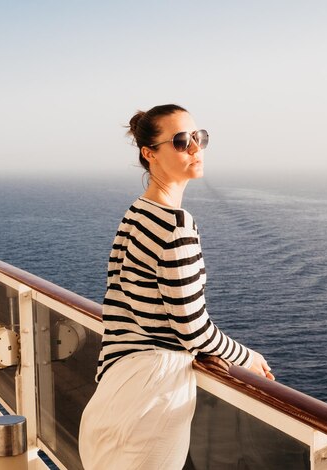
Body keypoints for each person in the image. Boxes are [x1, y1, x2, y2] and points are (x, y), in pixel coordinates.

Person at [79, 104, 273, 469]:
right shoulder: (174, 226)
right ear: (149, 154)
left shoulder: (138, 213)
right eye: (182, 141)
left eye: (199, 138)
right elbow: (191, 328)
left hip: (117, 384)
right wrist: (247, 358)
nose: (196, 148)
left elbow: (125, 305)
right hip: (151, 395)